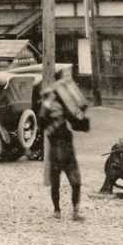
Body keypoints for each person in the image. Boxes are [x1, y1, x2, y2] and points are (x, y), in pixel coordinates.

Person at [40, 86, 90, 221]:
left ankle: (75, 212)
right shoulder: (47, 121)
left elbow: (82, 125)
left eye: (58, 106)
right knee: (56, 184)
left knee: (76, 183)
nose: (57, 109)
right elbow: (42, 118)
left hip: (68, 155)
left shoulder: (64, 118)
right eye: (54, 106)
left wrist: (82, 113)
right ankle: (57, 210)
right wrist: (48, 101)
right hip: (57, 155)